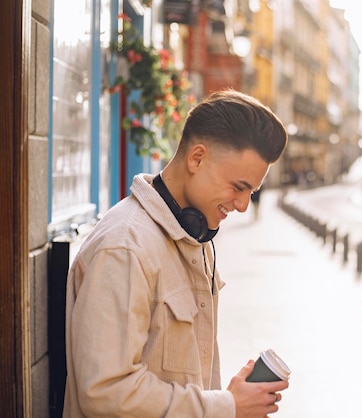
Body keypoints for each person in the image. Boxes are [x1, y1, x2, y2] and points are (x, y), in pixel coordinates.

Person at [64, 90, 289, 417]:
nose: (242, 205)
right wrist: (226, 406)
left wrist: (231, 403)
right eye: (238, 187)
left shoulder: (195, 238)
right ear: (196, 158)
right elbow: (104, 393)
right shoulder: (125, 247)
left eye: (251, 193)